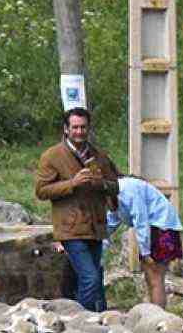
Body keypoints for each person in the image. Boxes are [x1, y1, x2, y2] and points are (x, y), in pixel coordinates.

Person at [34, 106, 120, 312]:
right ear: (66, 129)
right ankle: (82, 322)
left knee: (94, 277)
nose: (79, 132)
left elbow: (117, 184)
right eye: (75, 127)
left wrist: (101, 183)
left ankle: (97, 316)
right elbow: (41, 191)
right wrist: (72, 183)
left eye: (83, 127)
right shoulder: (52, 156)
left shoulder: (99, 155)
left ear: (89, 128)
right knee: (89, 277)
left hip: (96, 226)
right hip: (70, 228)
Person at [107, 176, 183, 308]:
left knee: (155, 275)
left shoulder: (129, 190)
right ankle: (154, 311)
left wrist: (146, 253)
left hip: (162, 227)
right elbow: (111, 222)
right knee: (149, 275)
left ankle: (158, 316)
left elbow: (141, 221)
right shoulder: (113, 196)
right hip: (153, 227)